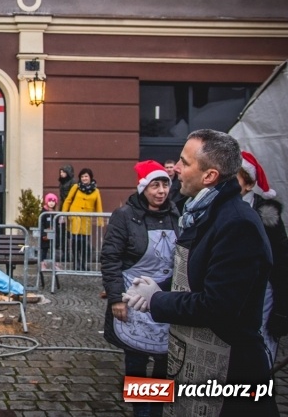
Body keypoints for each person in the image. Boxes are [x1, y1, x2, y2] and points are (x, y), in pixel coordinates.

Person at [124, 129, 278, 416]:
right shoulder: (202, 212)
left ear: (209, 176)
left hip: (231, 372)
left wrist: (157, 299)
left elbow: (218, 305)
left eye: (185, 162)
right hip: (196, 359)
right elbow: (195, 274)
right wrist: (157, 286)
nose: (176, 169)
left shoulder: (237, 224)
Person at [101, 160, 179, 417]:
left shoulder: (175, 214)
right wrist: (116, 299)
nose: (161, 191)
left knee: (164, 358)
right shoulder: (124, 216)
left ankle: (155, 411)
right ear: (143, 187)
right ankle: (141, 412)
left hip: (165, 296)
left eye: (164, 184)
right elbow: (111, 259)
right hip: (132, 296)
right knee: (136, 359)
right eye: (155, 185)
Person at [238, 150, 288, 367]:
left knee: (258, 359)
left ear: (248, 184)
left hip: (261, 299)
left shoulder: (266, 215)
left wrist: (281, 311)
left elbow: (282, 263)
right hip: (226, 299)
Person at [61, 168, 104, 271]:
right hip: (75, 219)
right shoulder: (76, 187)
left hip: (86, 221)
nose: (84, 178)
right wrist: (63, 214)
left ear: (90, 177)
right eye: (82, 176)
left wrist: (100, 220)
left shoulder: (96, 191)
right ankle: (76, 263)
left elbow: (98, 205)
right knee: (75, 243)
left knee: (85, 245)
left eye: (86, 176)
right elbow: (68, 200)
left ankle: (84, 263)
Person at [39, 193, 58, 269]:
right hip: (45, 235)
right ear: (46, 202)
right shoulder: (43, 212)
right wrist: (43, 234)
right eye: (50, 201)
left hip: (53, 235)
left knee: (53, 250)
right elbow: (41, 224)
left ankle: (54, 264)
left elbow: (58, 224)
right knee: (44, 250)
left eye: (53, 201)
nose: (51, 203)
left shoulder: (56, 213)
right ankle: (42, 263)